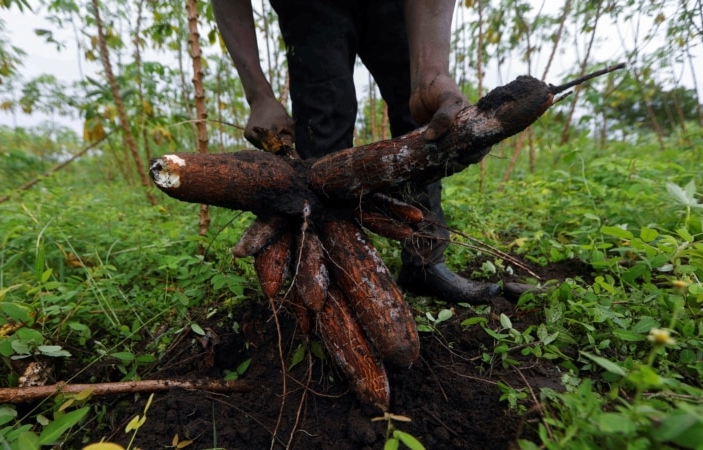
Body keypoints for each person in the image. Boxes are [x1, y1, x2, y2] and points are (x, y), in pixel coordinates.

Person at [211, 0, 516, 303]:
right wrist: (258, 94)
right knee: (324, 126)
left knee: (421, 113)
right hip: (309, 9)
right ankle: (332, 271)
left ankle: (424, 262)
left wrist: (432, 74)